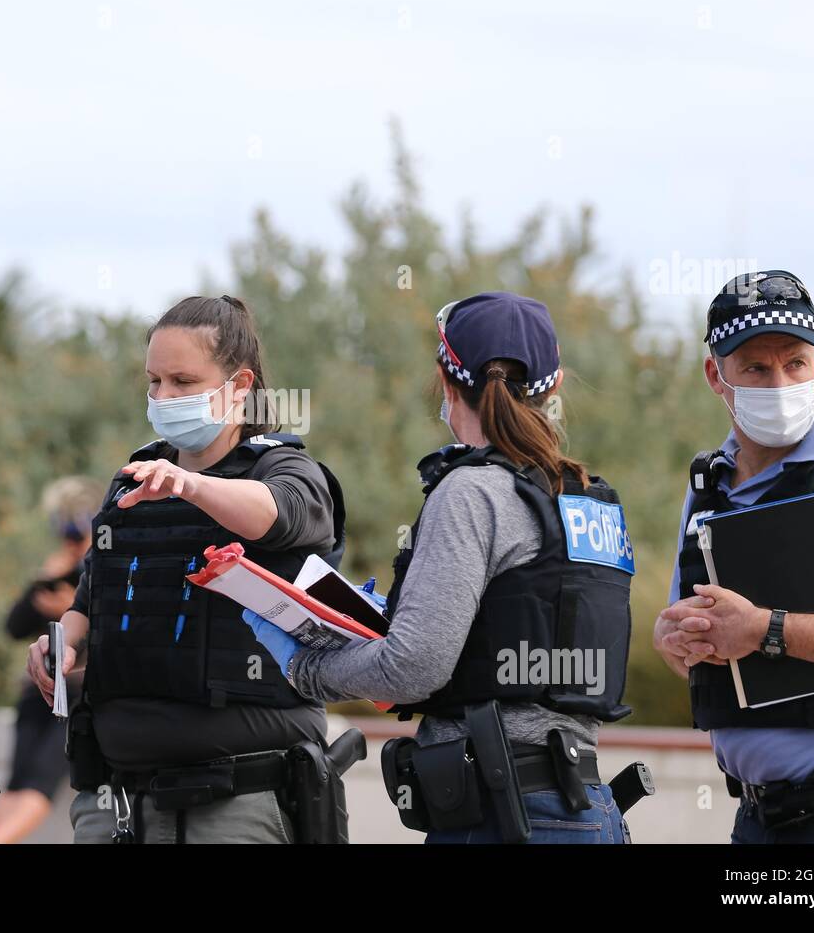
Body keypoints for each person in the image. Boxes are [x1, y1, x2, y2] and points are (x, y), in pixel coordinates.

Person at [245, 291, 639, 843]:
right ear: (556, 386)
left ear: (446, 383)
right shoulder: (592, 501)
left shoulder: (471, 492)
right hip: (587, 808)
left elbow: (416, 667)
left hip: (504, 815)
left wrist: (307, 668)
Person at [27, 294, 345, 844]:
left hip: (236, 799)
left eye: (183, 381)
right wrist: (63, 644)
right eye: (154, 382)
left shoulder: (287, 470)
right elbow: (92, 597)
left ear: (239, 386)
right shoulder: (136, 476)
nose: (163, 397)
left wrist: (192, 485)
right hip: (116, 799)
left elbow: (278, 514)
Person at [654, 270, 814, 844]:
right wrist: (676, 641)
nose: (780, 382)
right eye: (757, 368)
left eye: (794, 363)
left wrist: (766, 630)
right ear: (716, 375)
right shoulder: (708, 484)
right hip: (758, 820)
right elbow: (701, 637)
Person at [0, 477, 101, 843]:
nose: (72, 544)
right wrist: (43, 579)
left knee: (39, 784)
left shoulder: (98, 573)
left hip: (73, 696)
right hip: (36, 693)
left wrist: (70, 612)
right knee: (18, 783)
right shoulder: (58, 574)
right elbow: (13, 625)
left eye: (79, 535)